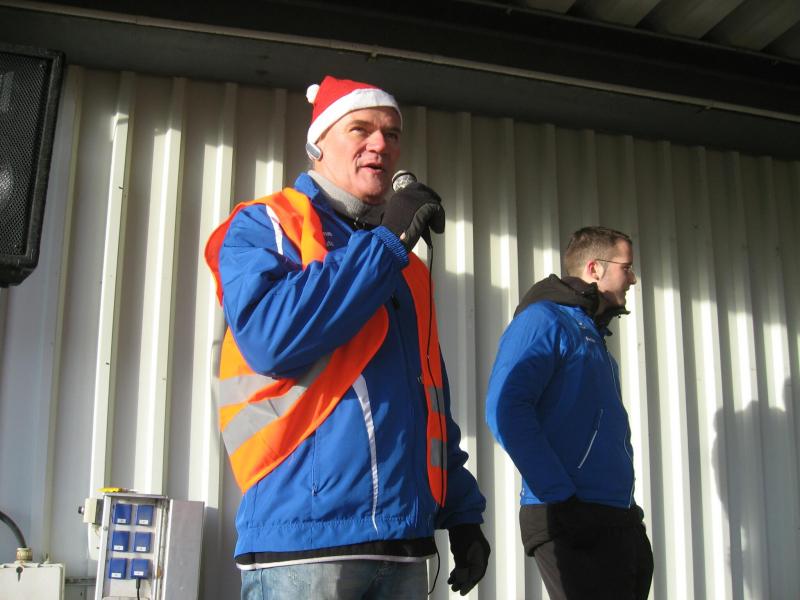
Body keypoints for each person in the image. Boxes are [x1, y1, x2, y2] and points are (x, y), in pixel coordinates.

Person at [205, 75, 489, 600]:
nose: (380, 143)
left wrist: (462, 511)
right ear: (317, 143)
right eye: (360, 129)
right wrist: (386, 244)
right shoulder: (267, 224)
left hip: (404, 544)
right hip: (305, 543)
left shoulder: (403, 264)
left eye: (391, 134)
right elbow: (270, 339)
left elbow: (427, 398)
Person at [485, 226, 653, 600]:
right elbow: (505, 409)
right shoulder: (544, 321)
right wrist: (561, 499)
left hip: (614, 516)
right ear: (594, 268)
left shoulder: (592, 338)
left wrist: (630, 516)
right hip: (571, 513)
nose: (633, 279)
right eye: (626, 267)